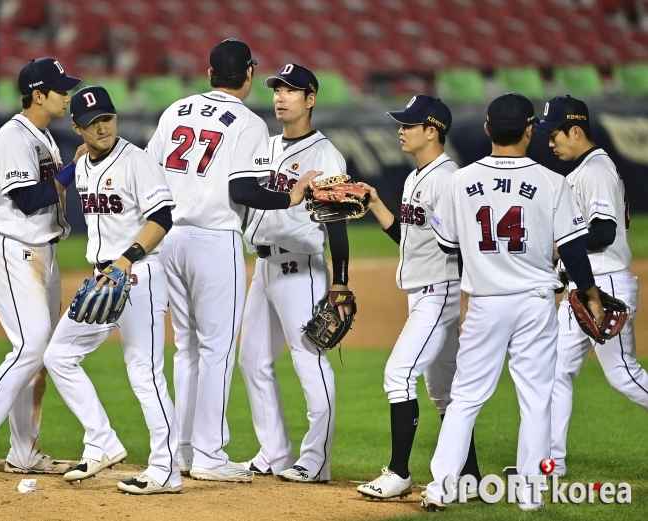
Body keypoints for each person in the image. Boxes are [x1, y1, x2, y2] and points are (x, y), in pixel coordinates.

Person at [145, 40, 318, 482]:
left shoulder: (175, 110)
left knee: (185, 348)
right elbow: (242, 191)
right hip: (213, 238)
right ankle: (209, 455)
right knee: (217, 349)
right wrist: (292, 194)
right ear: (248, 75)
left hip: (169, 238)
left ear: (208, 74)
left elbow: (147, 173)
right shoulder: (248, 122)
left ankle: (182, 449)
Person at [421, 93, 604, 511]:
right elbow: (573, 250)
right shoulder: (553, 182)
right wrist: (590, 292)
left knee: (465, 397)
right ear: (529, 130)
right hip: (535, 303)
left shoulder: (458, 180)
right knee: (537, 399)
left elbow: (447, 243)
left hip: (485, 302)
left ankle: (441, 488)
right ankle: (531, 492)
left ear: (486, 129)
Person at [42, 86, 181, 495]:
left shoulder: (137, 162)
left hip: (138, 274)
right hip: (103, 278)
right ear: (77, 128)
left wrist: (126, 259)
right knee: (59, 355)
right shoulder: (82, 163)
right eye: (91, 122)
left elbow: (162, 218)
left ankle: (166, 470)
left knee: (145, 374)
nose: (102, 127)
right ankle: (102, 441)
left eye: (107, 118)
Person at [0, 58, 83, 478]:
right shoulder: (13, 136)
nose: (67, 94)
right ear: (37, 94)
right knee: (31, 345)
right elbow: (28, 199)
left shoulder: (43, 137)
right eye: (59, 89)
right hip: (15, 250)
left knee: (40, 354)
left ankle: (24, 451)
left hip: (42, 251)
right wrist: (72, 168)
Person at [354, 95, 481, 500]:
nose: (400, 130)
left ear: (432, 131)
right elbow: (407, 239)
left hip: (438, 293)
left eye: (409, 124)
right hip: (422, 292)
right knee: (444, 392)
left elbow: (457, 244)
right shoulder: (415, 178)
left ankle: (398, 472)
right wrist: (374, 203)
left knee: (399, 375)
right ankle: (471, 476)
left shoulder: (449, 179)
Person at [238, 64, 355, 484]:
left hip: (300, 268)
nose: (281, 97)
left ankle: (316, 460)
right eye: (277, 89)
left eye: (292, 90)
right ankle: (274, 451)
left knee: (309, 359)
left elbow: (337, 221)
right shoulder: (265, 146)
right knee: (252, 360)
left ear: (311, 98)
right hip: (264, 267)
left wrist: (339, 281)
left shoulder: (326, 155)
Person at [538, 95, 648, 477]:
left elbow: (603, 231)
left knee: (624, 374)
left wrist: (560, 244)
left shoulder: (595, 170)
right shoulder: (584, 170)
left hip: (604, 286)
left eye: (554, 134)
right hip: (585, 285)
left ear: (576, 130)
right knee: (556, 372)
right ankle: (552, 463)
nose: (550, 142)